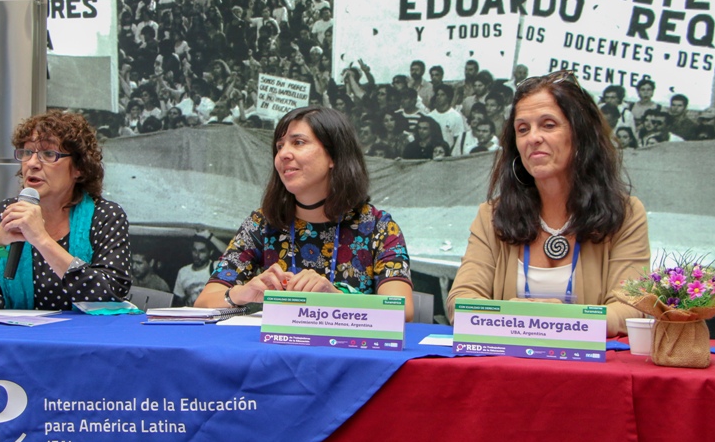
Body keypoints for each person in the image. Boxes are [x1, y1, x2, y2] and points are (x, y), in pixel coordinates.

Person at [446, 70, 650, 337]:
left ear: (580, 135)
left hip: (588, 363)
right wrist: (521, 317)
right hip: (509, 360)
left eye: (548, 125)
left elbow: (631, 307)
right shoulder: (492, 215)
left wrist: (557, 319)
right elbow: (461, 302)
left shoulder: (626, 214)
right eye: (523, 129)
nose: (533, 138)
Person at [194, 106, 414, 321]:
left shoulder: (378, 227)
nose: (283, 154)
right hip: (279, 346)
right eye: (279, 146)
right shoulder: (261, 224)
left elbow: (401, 310)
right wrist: (241, 293)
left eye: (298, 142)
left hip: (350, 345)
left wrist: (335, 297)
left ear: (334, 155)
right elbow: (203, 302)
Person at [0, 110, 131, 310]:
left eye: (49, 154)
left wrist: (41, 239)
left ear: (80, 168)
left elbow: (110, 295)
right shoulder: (6, 213)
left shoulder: (105, 216)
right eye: (27, 153)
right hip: (12, 330)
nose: (32, 164)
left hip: (81, 330)